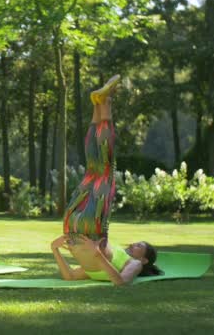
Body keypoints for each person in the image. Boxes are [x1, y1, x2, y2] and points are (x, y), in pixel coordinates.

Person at [51, 75, 161, 285]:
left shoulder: (135, 264)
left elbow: (120, 283)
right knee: (94, 168)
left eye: (139, 245)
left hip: (86, 230)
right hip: (81, 229)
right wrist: (94, 253)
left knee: (105, 169)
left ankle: (106, 103)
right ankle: (98, 103)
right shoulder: (121, 255)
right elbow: (72, 277)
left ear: (144, 258)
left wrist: (54, 249)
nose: (133, 244)